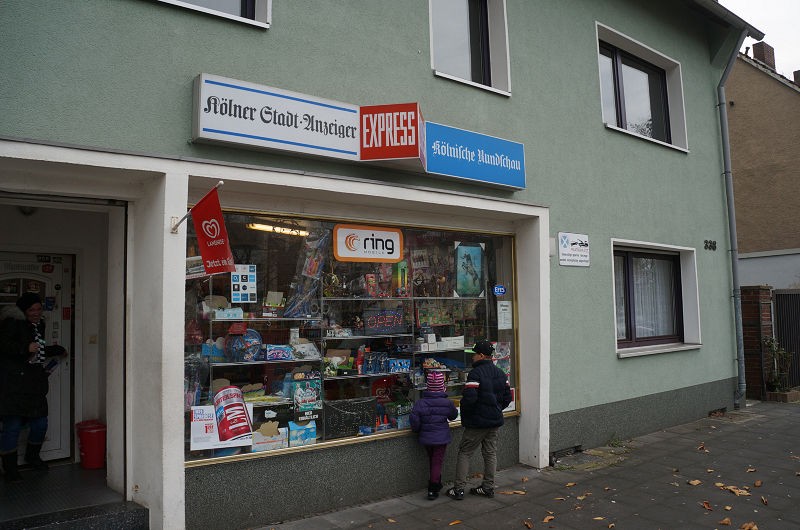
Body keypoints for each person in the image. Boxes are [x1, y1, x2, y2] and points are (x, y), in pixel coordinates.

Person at [0, 292, 67, 482]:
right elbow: (4, 346)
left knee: (40, 423)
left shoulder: (39, 324)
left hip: (33, 383)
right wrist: (24, 348)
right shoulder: (12, 322)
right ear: (23, 311)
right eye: (32, 310)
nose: (36, 313)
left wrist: (56, 350)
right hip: (14, 385)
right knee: (12, 427)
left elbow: (38, 349)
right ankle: (10, 469)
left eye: (39, 309)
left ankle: (32, 456)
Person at [447, 339, 512, 500]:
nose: (472, 357)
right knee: (490, 453)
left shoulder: (475, 374)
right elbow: (507, 398)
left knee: (465, 452)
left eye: (474, 354)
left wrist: (468, 415)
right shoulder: (500, 373)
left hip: (477, 423)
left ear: (481, 355)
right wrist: (496, 409)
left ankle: (459, 489)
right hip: (494, 421)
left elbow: (469, 399)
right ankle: (488, 487)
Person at [410, 370, 458, 500]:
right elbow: (453, 416)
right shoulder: (447, 403)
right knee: (437, 461)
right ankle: (433, 488)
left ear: (428, 386)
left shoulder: (420, 403)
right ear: (442, 386)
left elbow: (414, 420)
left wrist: (417, 430)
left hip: (426, 437)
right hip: (441, 438)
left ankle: (436, 482)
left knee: (432, 459)